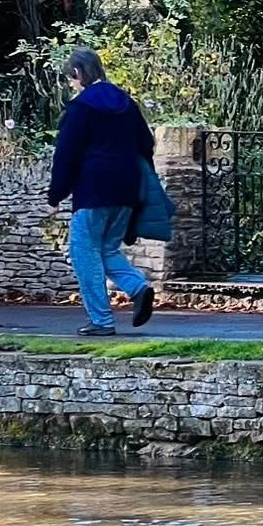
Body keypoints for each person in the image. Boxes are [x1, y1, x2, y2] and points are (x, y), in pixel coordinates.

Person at [46, 48, 157, 336]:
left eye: (70, 77)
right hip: (126, 188)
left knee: (83, 251)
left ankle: (101, 320)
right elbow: (146, 143)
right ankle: (137, 287)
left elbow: (66, 154)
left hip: (93, 189)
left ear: (79, 73)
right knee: (106, 248)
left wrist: (56, 195)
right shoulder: (126, 103)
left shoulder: (80, 108)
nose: (71, 83)